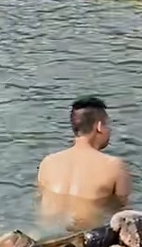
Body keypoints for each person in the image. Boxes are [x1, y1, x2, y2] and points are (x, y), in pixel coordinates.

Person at [37, 97, 132, 229]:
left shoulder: (47, 162)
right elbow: (123, 216)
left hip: (45, 236)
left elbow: (39, 199)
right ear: (99, 126)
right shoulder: (115, 166)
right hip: (85, 238)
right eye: (107, 125)